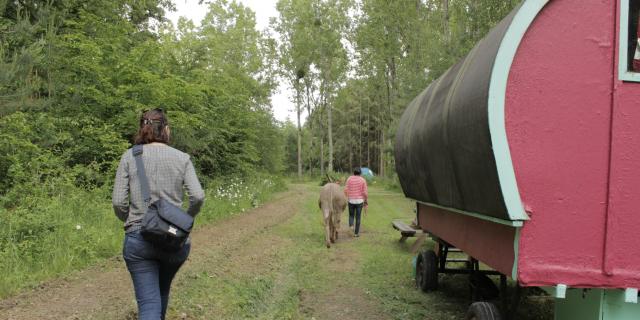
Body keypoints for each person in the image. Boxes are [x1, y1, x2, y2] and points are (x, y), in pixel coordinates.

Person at [112, 109, 205, 320]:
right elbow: (198, 196)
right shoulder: (182, 158)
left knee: (149, 303)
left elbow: (118, 201)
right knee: (162, 292)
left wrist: (132, 221)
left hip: (138, 240)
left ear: (142, 129)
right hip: (174, 239)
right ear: (166, 130)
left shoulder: (129, 156)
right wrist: (183, 220)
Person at [344, 167, 368, 237]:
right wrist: (366, 200)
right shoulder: (363, 180)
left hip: (351, 200)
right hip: (359, 201)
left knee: (351, 215)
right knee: (358, 217)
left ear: (353, 172)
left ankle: (351, 226)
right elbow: (365, 192)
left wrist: (347, 196)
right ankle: (356, 233)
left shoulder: (349, 179)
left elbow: (345, 189)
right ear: (360, 173)